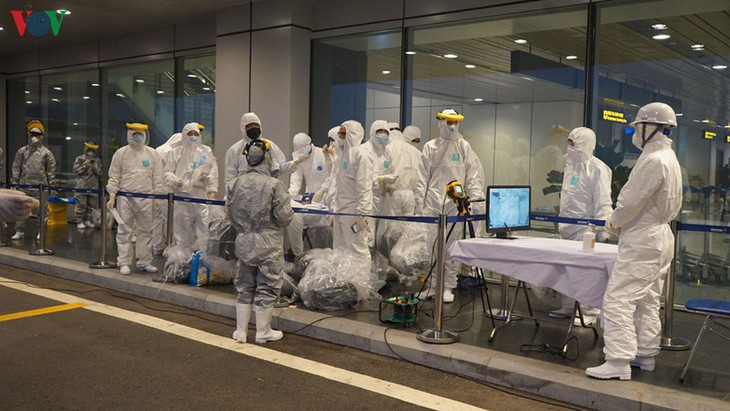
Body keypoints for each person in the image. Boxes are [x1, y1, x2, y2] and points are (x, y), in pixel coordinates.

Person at [586, 102, 683, 381]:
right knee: (648, 299)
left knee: (618, 298)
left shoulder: (653, 160)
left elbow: (630, 200)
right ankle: (646, 353)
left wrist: (613, 222)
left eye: (638, 126)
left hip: (643, 238)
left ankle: (618, 360)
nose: (635, 132)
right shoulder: (669, 157)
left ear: (650, 127)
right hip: (660, 237)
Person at [415, 108, 485, 303]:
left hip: (455, 203)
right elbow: (422, 177)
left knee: (452, 247)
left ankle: (448, 286)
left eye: (455, 122)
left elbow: (473, 176)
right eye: (449, 122)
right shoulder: (430, 147)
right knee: (433, 247)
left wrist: (476, 200)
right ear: (441, 123)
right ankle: (432, 285)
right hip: (433, 203)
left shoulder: (464, 146)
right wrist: (419, 202)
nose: (452, 126)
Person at [228, 139, 294, 343]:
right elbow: (285, 217)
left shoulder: (234, 183)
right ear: (267, 158)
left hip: (243, 240)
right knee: (268, 285)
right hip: (268, 242)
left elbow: (229, 213)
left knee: (244, 285)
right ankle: (263, 331)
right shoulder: (274, 184)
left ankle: (241, 331)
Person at [549, 127, 612, 325]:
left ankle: (589, 311)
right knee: (567, 271)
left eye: (574, 144)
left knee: (585, 273)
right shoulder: (570, 166)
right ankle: (569, 306)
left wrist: (602, 230)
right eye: (569, 143)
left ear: (586, 144)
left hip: (586, 230)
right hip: (566, 227)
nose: (570, 147)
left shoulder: (597, 168)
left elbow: (603, 201)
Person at [106, 123, 162, 275]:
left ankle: (144, 261)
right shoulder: (121, 153)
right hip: (126, 198)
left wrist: (157, 197)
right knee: (125, 230)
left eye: (140, 134)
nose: (137, 137)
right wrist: (112, 195)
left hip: (146, 197)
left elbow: (157, 177)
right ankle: (124, 262)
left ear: (145, 135)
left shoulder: (152, 154)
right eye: (134, 134)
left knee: (146, 230)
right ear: (129, 135)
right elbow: (114, 175)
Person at [162, 122, 219, 253]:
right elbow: (166, 173)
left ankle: (202, 261)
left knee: (203, 233)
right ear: (184, 135)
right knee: (182, 235)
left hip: (200, 198)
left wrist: (209, 184)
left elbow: (212, 171)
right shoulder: (174, 153)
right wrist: (174, 180)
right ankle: (182, 262)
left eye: (195, 134)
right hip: (182, 199)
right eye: (190, 134)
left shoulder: (204, 154)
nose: (193, 137)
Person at [224, 112, 307, 190]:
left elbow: (280, 168)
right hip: (243, 194)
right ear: (243, 128)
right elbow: (230, 180)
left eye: (256, 125)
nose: (253, 128)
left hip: (267, 193)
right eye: (249, 126)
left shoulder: (270, 146)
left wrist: (294, 163)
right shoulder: (234, 151)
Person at [332, 120, 373, 263]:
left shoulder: (362, 155)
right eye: (339, 134)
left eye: (343, 134)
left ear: (353, 134)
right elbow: (338, 185)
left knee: (357, 248)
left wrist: (362, 213)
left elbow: (364, 186)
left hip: (354, 210)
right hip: (341, 209)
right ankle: (343, 275)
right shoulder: (344, 154)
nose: (339, 137)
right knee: (341, 247)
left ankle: (360, 277)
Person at [11, 120, 57, 240]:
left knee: (42, 210)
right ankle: (19, 230)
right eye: (32, 134)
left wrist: (51, 185)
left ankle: (41, 231)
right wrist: (15, 182)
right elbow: (16, 167)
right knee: (21, 209)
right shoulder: (22, 151)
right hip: (24, 185)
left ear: (42, 136)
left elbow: (51, 170)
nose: (34, 137)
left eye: (37, 134)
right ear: (29, 135)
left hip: (40, 187)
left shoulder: (46, 153)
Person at [287, 132, 330, 258]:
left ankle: (325, 255)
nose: (301, 153)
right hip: (310, 199)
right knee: (303, 223)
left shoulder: (322, 154)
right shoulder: (298, 157)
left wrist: (323, 189)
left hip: (326, 197)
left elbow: (332, 175)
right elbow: (296, 179)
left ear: (309, 144)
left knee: (325, 231)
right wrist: (291, 194)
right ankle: (305, 256)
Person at [151, 131, 183, 255]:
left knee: (157, 219)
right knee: (168, 219)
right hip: (166, 190)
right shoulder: (169, 151)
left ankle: (157, 246)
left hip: (156, 188)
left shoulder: (159, 149)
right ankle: (168, 246)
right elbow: (166, 173)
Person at [72, 140, 102, 229]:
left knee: (91, 205)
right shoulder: (80, 159)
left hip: (93, 186)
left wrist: (95, 169)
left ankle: (88, 220)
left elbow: (101, 173)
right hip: (82, 186)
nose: (90, 151)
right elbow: (76, 171)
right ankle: (80, 221)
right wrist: (85, 166)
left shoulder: (97, 160)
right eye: (89, 148)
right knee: (81, 204)